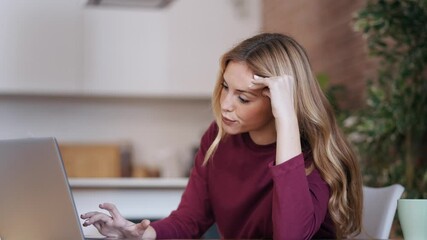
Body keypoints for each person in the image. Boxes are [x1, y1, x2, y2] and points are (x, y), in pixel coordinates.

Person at [81, 33, 363, 239]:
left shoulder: (314, 154)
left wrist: (288, 118)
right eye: (226, 87)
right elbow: (190, 220)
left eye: (243, 97)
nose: (226, 104)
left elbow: (291, 236)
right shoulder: (218, 139)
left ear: (279, 102)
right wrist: (140, 233)